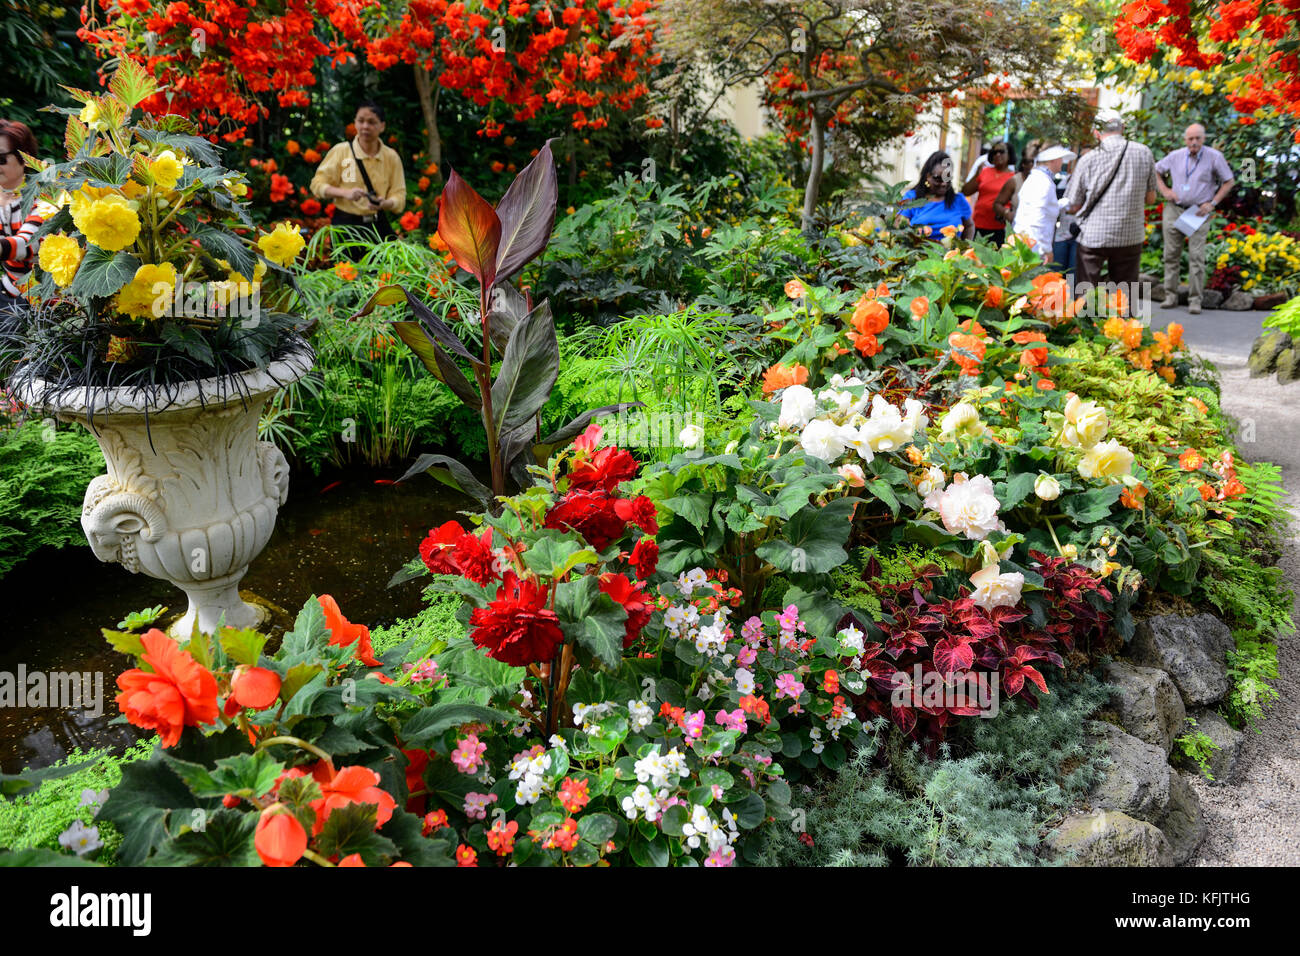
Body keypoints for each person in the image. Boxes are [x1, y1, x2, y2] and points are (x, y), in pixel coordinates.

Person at [1064, 109, 1157, 297]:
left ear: (1096, 132)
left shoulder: (1088, 159)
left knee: (1086, 294)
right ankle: (1124, 325)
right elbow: (1150, 199)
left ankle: (1087, 323)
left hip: (1094, 236)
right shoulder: (1144, 153)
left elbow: (1073, 205)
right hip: (1130, 235)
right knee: (1125, 295)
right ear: (1122, 128)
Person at [1155, 123, 1235, 314]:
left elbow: (1229, 181)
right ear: (1185, 140)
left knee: (1196, 257)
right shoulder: (1175, 156)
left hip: (1198, 212)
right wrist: (1165, 190)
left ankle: (1195, 300)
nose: (1194, 142)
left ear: (1203, 138)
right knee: (1170, 255)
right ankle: (1170, 296)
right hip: (1174, 209)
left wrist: (1213, 203)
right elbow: (1155, 171)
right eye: (1190, 138)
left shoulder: (1214, 157)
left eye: (1198, 138)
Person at [309, 101, 406, 247]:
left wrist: (386, 203)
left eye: (371, 122)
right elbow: (317, 184)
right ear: (355, 123)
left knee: (385, 268)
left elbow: (399, 195)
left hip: (377, 224)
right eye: (361, 121)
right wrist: (344, 193)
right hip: (345, 225)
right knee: (346, 269)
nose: (365, 126)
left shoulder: (391, 157)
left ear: (382, 126)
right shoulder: (341, 151)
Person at [0, 119, 43, 344]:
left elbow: (29, 243)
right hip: (9, 289)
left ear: (24, 157)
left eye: (1, 159)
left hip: (41, 297)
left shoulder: (43, 195)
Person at [1012, 144, 1075, 262]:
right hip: (1033, 246)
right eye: (1061, 159)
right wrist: (1046, 249)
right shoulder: (1043, 182)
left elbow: (1043, 207)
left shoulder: (1037, 179)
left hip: (1026, 241)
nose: (1062, 163)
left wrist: (1064, 202)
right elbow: (1038, 218)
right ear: (1054, 160)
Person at [896, 152, 974, 239]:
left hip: (950, 252)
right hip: (918, 251)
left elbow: (969, 226)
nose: (944, 183)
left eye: (947, 178)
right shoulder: (912, 198)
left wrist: (965, 247)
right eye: (939, 179)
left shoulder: (958, 200)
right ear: (928, 176)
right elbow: (898, 225)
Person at [962, 140, 1016, 245]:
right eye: (994, 152)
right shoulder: (984, 171)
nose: (997, 154)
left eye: (1001, 151)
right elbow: (966, 191)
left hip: (1000, 228)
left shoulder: (1014, 177)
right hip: (978, 225)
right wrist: (977, 174)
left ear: (1009, 155)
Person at [993, 139, 1042, 233]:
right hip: (1016, 232)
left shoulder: (1044, 182)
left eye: (1036, 162)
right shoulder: (1014, 181)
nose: (1033, 165)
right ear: (1023, 164)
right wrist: (1007, 213)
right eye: (1030, 162)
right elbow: (997, 204)